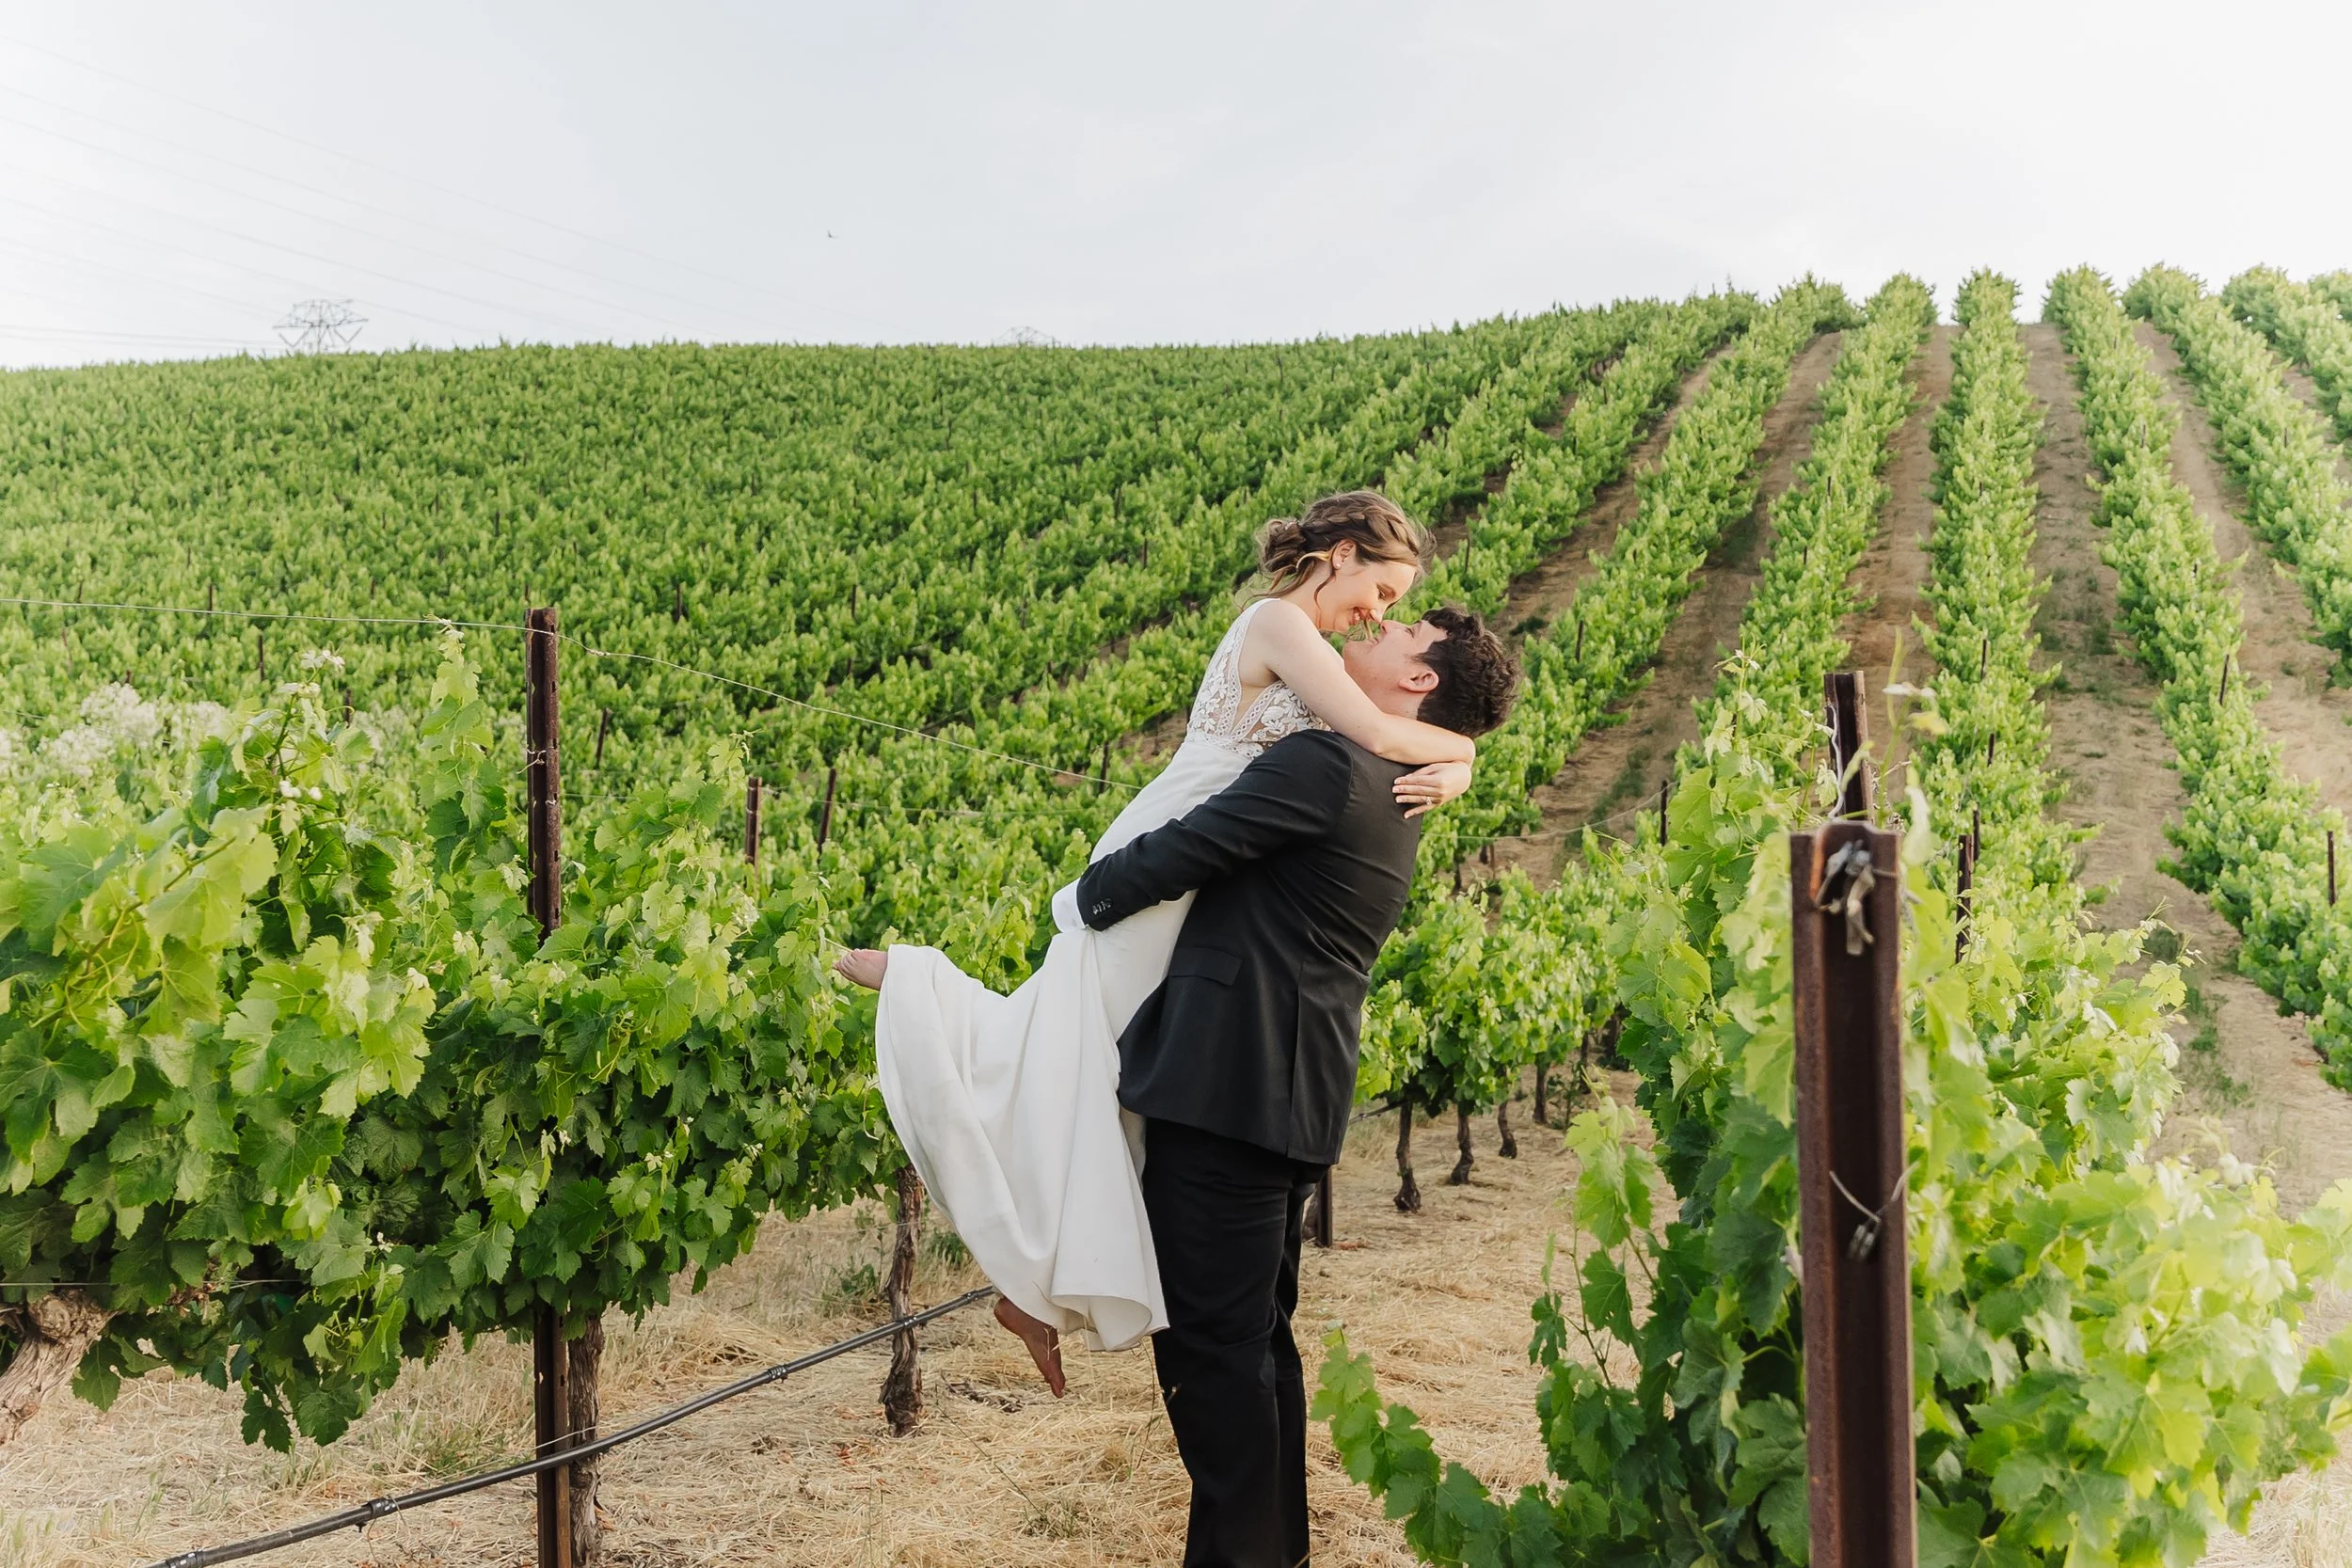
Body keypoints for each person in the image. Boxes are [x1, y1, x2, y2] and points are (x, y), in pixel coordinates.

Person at [831, 491, 1485, 1385]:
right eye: (1384, 586)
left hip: (1199, 876)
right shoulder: (1280, 625)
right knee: (1068, 1045)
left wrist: (1458, 753)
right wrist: (1466, 758)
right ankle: (918, 986)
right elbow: (1374, 731)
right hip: (1164, 855)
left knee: (1118, 1076)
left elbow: (1367, 737)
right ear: (1338, 553)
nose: (1385, 610)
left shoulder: (1321, 651)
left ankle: (1035, 1286)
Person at [1054, 593, 1517, 1568]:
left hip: (1227, 1093)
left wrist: (1087, 896)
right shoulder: (1395, 774)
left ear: (1418, 678)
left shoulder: (1329, 764)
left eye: (1393, 632)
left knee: (1215, 1363)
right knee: (1258, 1350)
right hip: (1289, 1096)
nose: (1366, 632)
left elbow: (1192, 848)